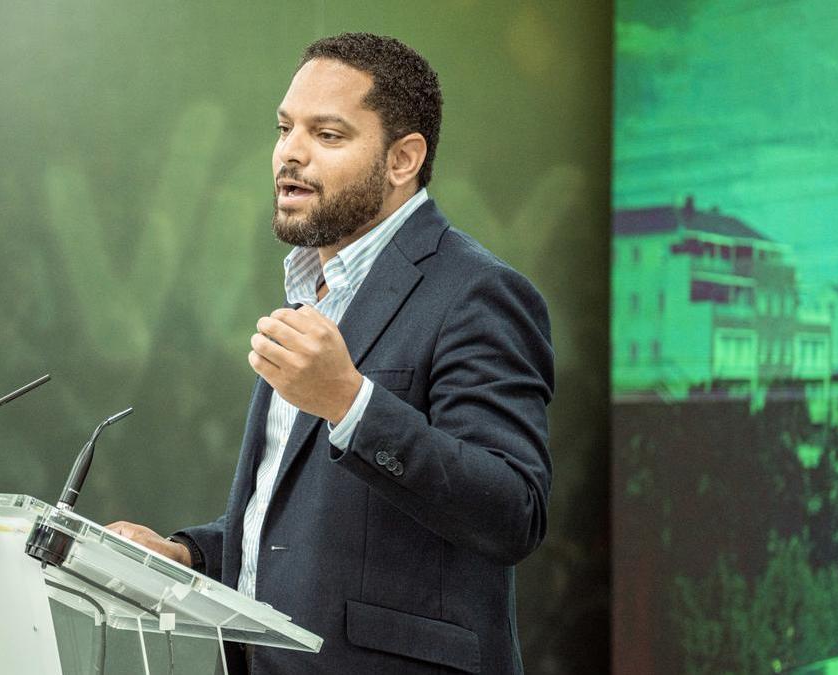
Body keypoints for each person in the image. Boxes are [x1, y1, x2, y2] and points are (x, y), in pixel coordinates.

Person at [106, 32, 553, 674]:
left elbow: (513, 511)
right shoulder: (310, 291)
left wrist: (352, 403)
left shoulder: (478, 292)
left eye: (328, 135)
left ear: (402, 160)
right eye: (285, 128)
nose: (290, 153)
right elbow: (297, 530)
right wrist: (191, 556)